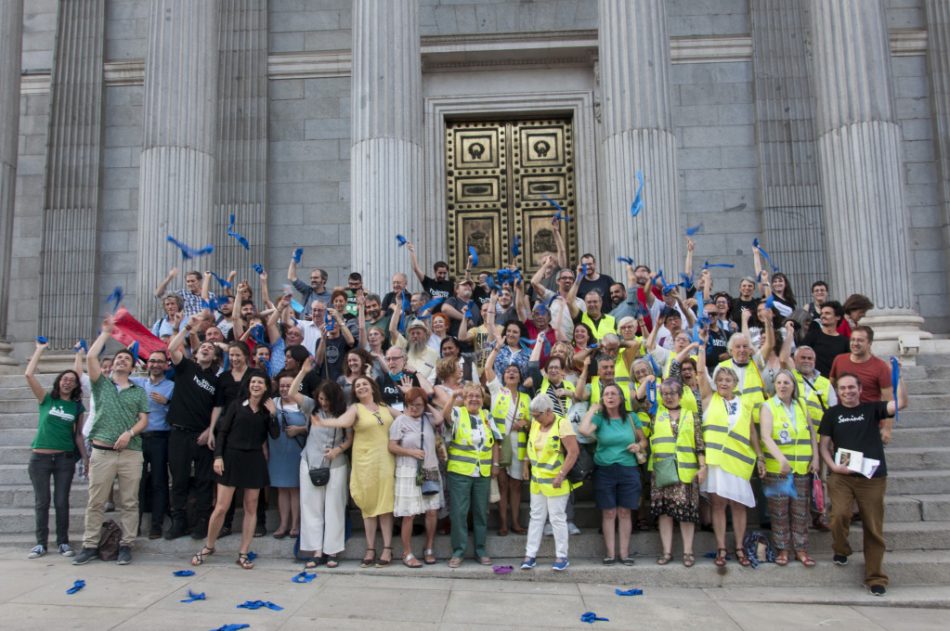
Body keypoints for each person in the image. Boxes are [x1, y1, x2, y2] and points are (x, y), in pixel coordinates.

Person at [819, 371, 907, 596]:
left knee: (873, 527)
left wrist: (899, 377)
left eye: (851, 387)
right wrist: (833, 466)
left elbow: (901, 403)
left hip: (872, 478)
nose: (847, 391)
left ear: (860, 390)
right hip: (842, 476)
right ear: (837, 392)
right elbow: (824, 446)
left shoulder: (872, 409)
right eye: (843, 388)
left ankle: (876, 577)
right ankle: (841, 547)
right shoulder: (832, 414)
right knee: (839, 515)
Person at [73, 317, 150, 566]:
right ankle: (90, 544)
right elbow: (91, 359)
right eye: (119, 358)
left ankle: (127, 543)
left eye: (126, 359)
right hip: (102, 452)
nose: (121, 361)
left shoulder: (138, 391)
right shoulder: (101, 386)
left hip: (130, 452)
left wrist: (130, 433)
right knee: (96, 501)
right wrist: (106, 333)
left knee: (129, 501)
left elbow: (143, 420)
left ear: (131, 367)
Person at [194, 369, 279, 570]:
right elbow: (222, 432)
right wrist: (218, 457)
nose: (256, 385)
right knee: (221, 507)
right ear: (248, 385)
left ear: (266, 387)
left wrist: (274, 414)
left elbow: (274, 435)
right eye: (253, 382)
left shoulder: (268, 410)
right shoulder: (236, 405)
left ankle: (243, 552)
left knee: (251, 507)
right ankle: (209, 546)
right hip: (231, 457)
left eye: (260, 382)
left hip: (254, 460)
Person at [314, 376, 398, 568]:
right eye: (357, 385)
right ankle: (370, 548)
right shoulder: (355, 408)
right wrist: (326, 423)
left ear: (372, 387)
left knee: (385, 504)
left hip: (385, 461)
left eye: (364, 384)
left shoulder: (384, 407)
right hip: (365, 463)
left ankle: (387, 548)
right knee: (368, 506)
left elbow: (404, 417)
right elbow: (344, 422)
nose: (361, 387)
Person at [697, 328, 759, 568]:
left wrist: (760, 456)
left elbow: (752, 432)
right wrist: (702, 347)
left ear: (735, 382)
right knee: (719, 505)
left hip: (739, 461)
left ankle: (740, 546)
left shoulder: (744, 402)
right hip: (716, 462)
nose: (724, 383)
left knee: (739, 505)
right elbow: (701, 373)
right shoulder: (709, 399)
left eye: (728, 380)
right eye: (720, 380)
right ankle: (722, 547)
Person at [24, 340, 88, 559]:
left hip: (64, 459)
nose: (67, 382)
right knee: (42, 502)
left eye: (72, 380)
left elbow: (79, 434)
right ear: (58, 381)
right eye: (64, 379)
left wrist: (86, 459)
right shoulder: (46, 400)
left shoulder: (77, 406)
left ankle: (63, 542)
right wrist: (39, 351)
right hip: (40, 458)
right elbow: (29, 376)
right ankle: (41, 543)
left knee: (62, 501)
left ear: (76, 385)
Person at [164, 315, 223, 541]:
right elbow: (171, 348)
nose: (206, 349)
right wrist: (187, 328)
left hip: (201, 436)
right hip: (179, 432)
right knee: (178, 479)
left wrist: (210, 430)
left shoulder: (217, 381)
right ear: (197, 353)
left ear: (216, 357)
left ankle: (201, 522)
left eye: (211, 348)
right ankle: (178, 521)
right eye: (203, 347)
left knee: (203, 481)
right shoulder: (186, 367)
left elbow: (218, 407)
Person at [291, 363, 352, 569]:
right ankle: (315, 550)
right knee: (310, 506)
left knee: (334, 506)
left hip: (336, 463)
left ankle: (332, 550)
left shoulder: (345, 412)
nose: (323, 403)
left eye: (327, 399)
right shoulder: (311, 407)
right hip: (310, 460)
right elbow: (292, 393)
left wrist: (338, 449)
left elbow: (349, 438)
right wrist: (303, 372)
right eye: (321, 398)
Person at [578, 383, 647, 566]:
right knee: (609, 512)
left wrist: (638, 446)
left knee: (625, 512)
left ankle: (624, 554)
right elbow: (583, 430)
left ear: (621, 398)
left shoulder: (631, 417)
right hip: (605, 469)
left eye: (613, 394)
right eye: (606, 394)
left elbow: (643, 440)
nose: (609, 397)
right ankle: (610, 553)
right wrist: (593, 408)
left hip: (628, 468)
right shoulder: (600, 419)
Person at [758, 370, 819, 567]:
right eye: (779, 382)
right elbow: (766, 436)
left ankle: (801, 549)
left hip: (801, 466)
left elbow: (811, 434)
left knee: (801, 511)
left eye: (786, 382)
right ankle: (782, 549)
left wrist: (816, 458)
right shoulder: (768, 406)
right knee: (779, 512)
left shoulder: (801, 405)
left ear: (793, 385)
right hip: (778, 469)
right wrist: (781, 459)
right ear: (774, 385)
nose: (782, 386)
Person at [441, 382, 500, 568]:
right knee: (459, 513)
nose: (474, 399)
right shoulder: (458, 413)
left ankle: (481, 550)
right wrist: (452, 397)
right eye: (470, 396)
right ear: (464, 400)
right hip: (460, 472)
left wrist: (495, 464)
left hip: (482, 471)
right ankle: (458, 552)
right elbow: (446, 417)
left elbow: (495, 442)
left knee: (481, 512)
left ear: (483, 400)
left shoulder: (487, 415)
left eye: (478, 396)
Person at [649, 380, 705, 567]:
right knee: (665, 512)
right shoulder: (656, 414)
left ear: (680, 395)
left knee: (686, 513)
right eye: (665, 393)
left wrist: (703, 467)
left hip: (686, 471)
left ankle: (688, 552)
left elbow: (699, 444)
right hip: (662, 471)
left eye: (673, 392)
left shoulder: (691, 416)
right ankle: (667, 552)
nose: (669, 396)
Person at [520, 394, 579, 572]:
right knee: (536, 517)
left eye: (537, 415)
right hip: (538, 481)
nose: (534, 418)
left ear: (548, 411)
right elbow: (531, 446)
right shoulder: (537, 424)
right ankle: (530, 555)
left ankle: (562, 555)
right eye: (533, 415)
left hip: (555, 481)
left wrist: (561, 475)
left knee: (557, 518)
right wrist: (526, 465)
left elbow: (573, 452)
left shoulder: (562, 424)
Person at [388, 388, 444, 567]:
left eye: (418, 405)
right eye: (411, 404)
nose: (414, 408)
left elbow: (440, 418)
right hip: (408, 470)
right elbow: (392, 446)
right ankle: (407, 552)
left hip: (430, 467)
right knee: (409, 514)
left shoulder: (428, 418)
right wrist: (410, 452)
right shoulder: (400, 421)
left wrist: (428, 403)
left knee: (432, 511)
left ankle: (429, 548)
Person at [484, 346, 530, 536]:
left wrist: (524, 422)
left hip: (519, 446)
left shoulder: (526, 397)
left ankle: (516, 522)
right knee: (502, 484)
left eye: (515, 372)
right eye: (508, 371)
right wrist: (495, 349)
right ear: (503, 377)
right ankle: (503, 523)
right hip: (500, 445)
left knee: (516, 485)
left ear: (520, 378)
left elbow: (532, 420)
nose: (512, 373)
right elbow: (487, 369)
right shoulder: (497, 391)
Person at [130, 350, 175, 539]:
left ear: (166, 365)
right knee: (136, 484)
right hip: (139, 438)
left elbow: (178, 412)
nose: (156, 364)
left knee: (159, 482)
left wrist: (167, 402)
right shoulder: (138, 384)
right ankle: (134, 525)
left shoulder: (172, 386)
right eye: (153, 361)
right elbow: (115, 377)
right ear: (147, 364)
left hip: (160, 438)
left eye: (160, 362)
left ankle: (156, 526)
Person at [269, 370, 308, 539]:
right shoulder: (273, 402)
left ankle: (296, 524)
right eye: (282, 386)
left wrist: (300, 429)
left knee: (295, 489)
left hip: (297, 451)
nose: (284, 389)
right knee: (281, 489)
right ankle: (283, 524)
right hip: (277, 451)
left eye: (288, 386)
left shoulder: (304, 404)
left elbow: (317, 426)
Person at [829, 326, 891, 403]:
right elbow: (830, 388)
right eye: (852, 339)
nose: (855, 343)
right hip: (842, 412)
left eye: (860, 340)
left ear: (870, 343)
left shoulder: (881, 366)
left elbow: (888, 401)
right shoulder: (839, 360)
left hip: (869, 414)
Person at [803, 301, 850, 377]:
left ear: (838, 317)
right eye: (822, 313)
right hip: (815, 382)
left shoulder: (845, 341)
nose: (823, 316)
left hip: (835, 384)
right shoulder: (812, 336)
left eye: (827, 313)